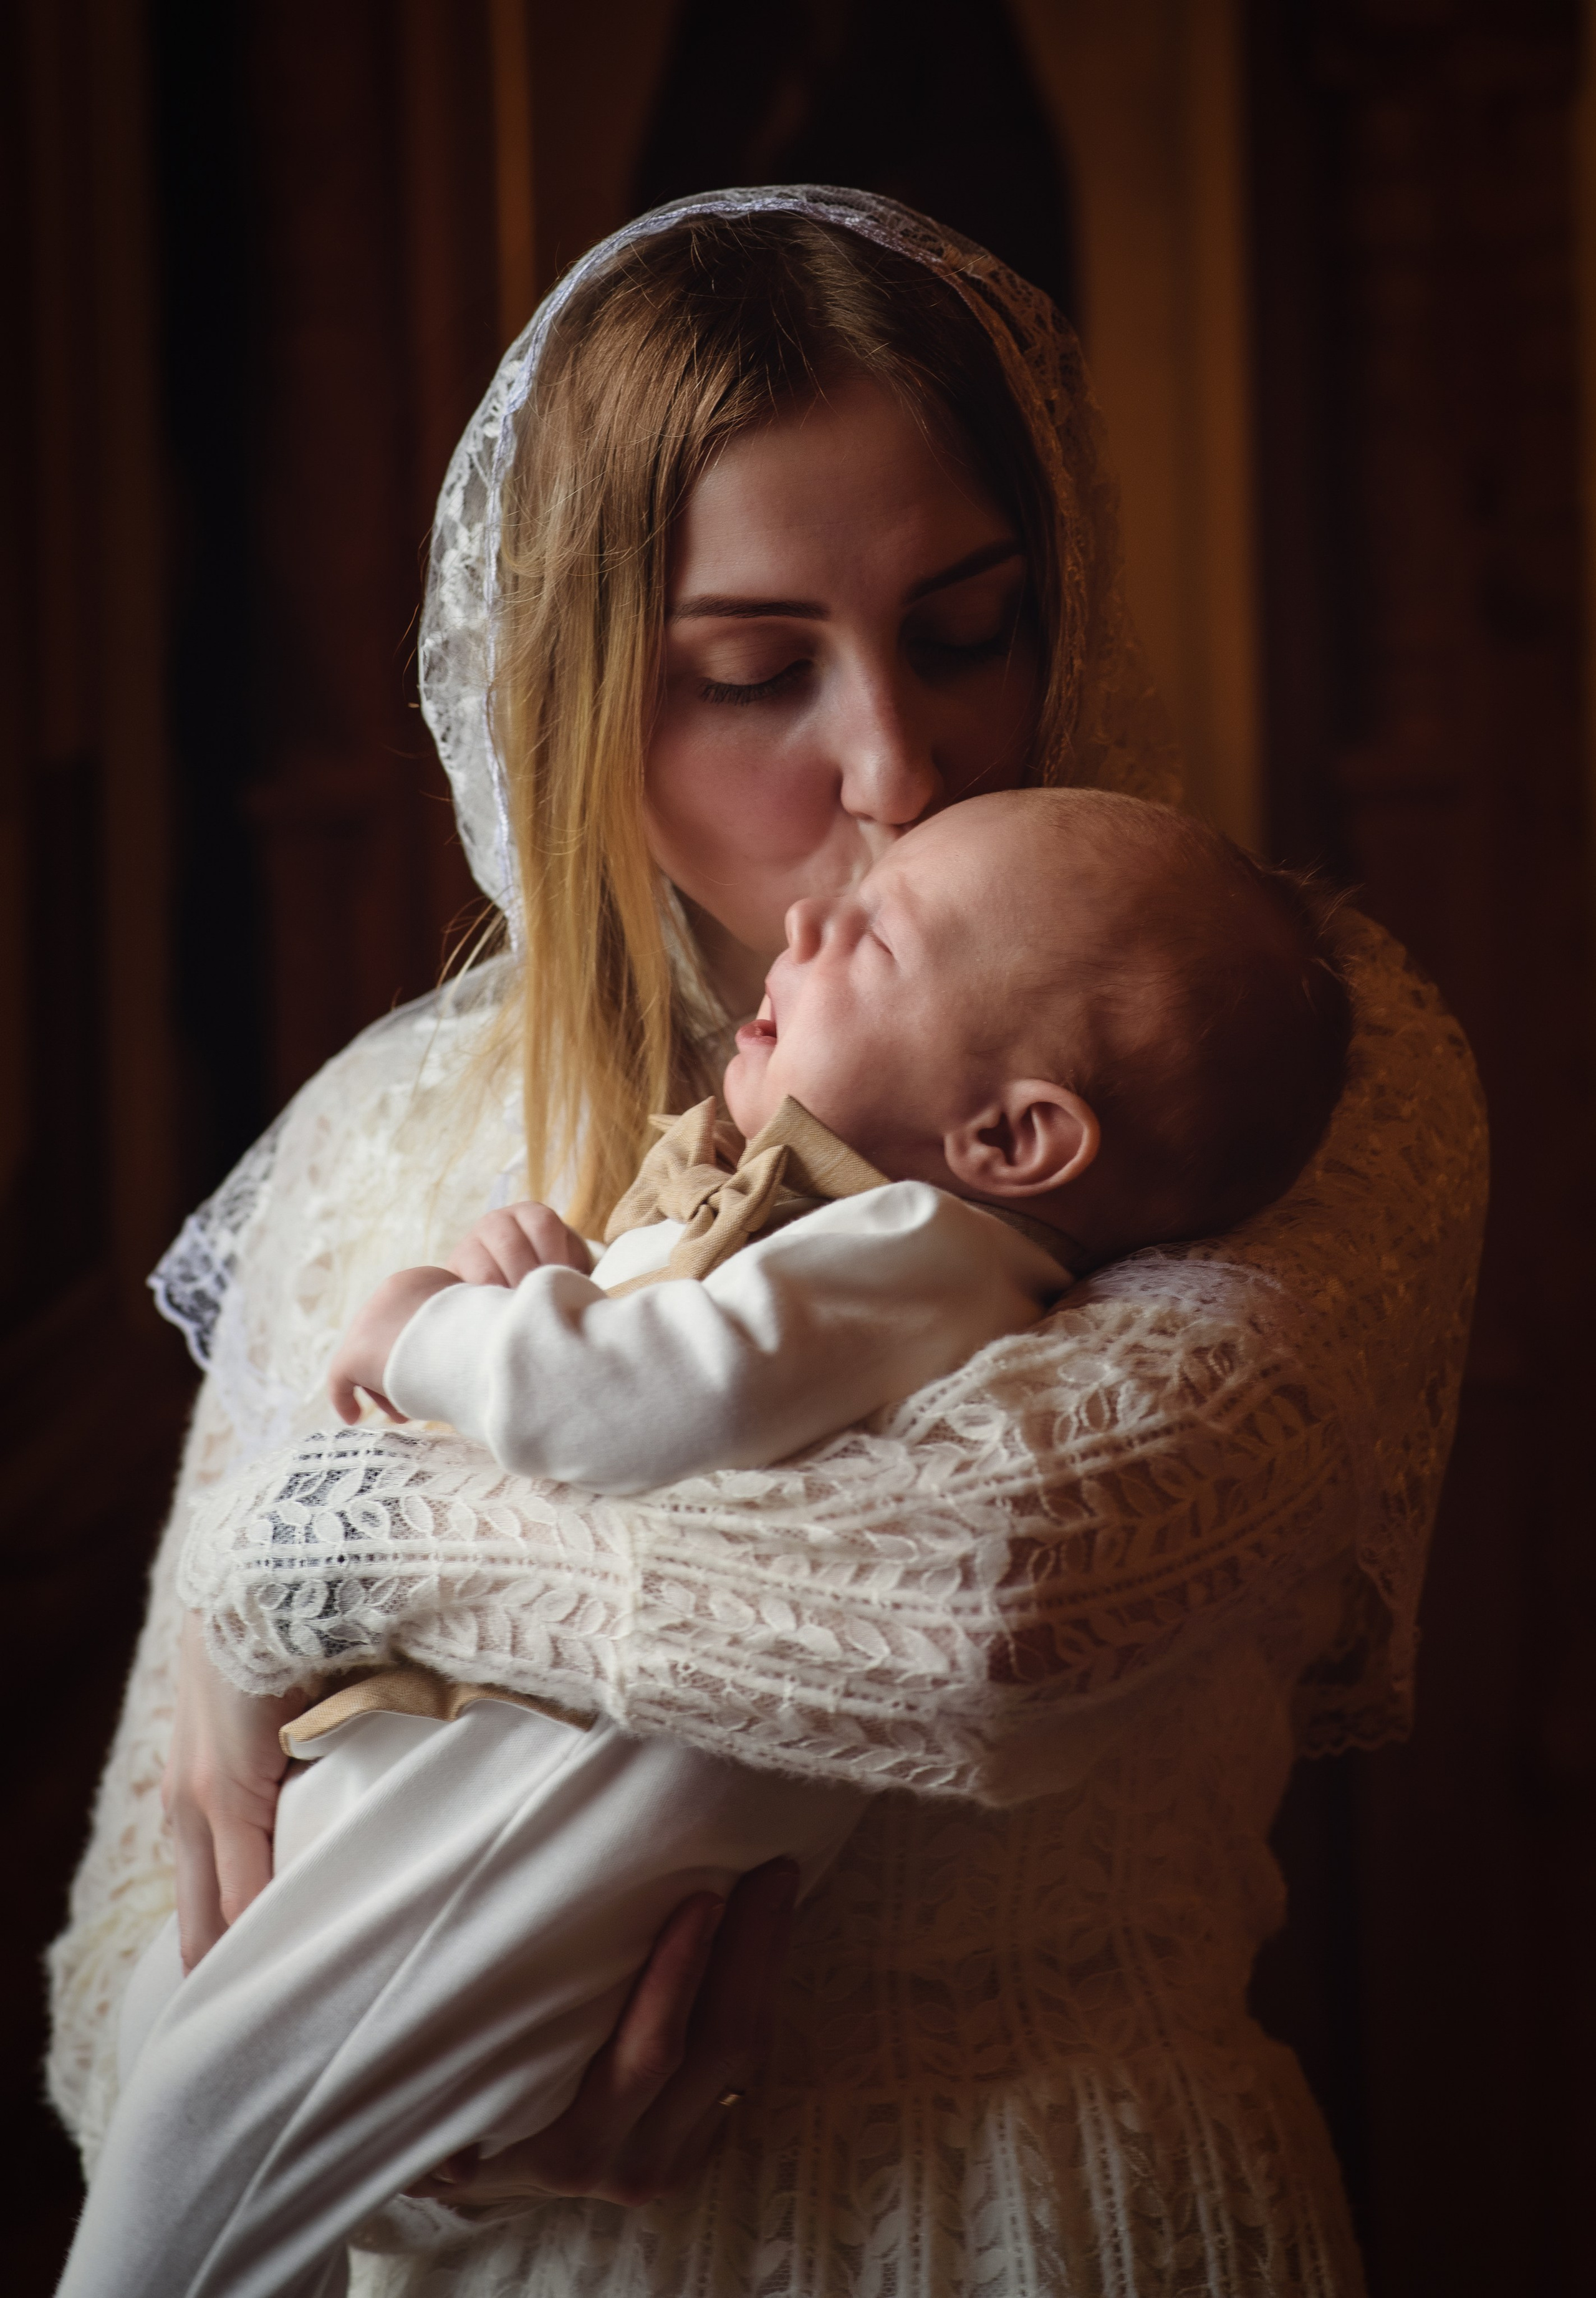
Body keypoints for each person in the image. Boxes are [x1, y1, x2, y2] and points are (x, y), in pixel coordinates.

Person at [47, 190, 1486, 2298]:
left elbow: (990, 1609)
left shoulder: (1259, 1056)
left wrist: (308, 1550)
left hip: (1057, 2222)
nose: (893, 766)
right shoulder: (383, 1139)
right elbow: (122, 1941)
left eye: (967, 627)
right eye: (751, 671)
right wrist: (437, 2145)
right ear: (578, 697)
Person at [59, 788, 1353, 2298]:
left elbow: (630, 1405)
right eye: (751, 670)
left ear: (1011, 1134)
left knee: (200, 2152)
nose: (816, 914)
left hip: (537, 1828)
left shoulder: (917, 1254)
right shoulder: (825, 1228)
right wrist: (556, 1285)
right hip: (469, 1798)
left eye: (870, 938)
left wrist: (440, 1332)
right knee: (173, 2048)